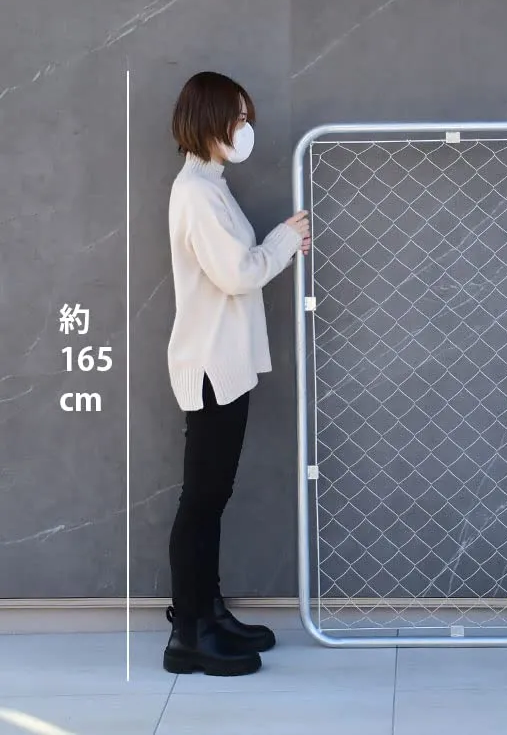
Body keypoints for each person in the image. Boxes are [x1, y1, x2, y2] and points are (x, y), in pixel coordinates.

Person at [162, 71, 310, 676]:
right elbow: (237, 274)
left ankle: (209, 614)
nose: (246, 129)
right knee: (201, 501)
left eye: (248, 118)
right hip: (210, 366)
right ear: (210, 119)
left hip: (226, 364)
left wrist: (276, 246)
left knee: (211, 497)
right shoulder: (197, 194)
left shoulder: (210, 187)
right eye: (238, 118)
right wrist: (284, 240)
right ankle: (189, 635)